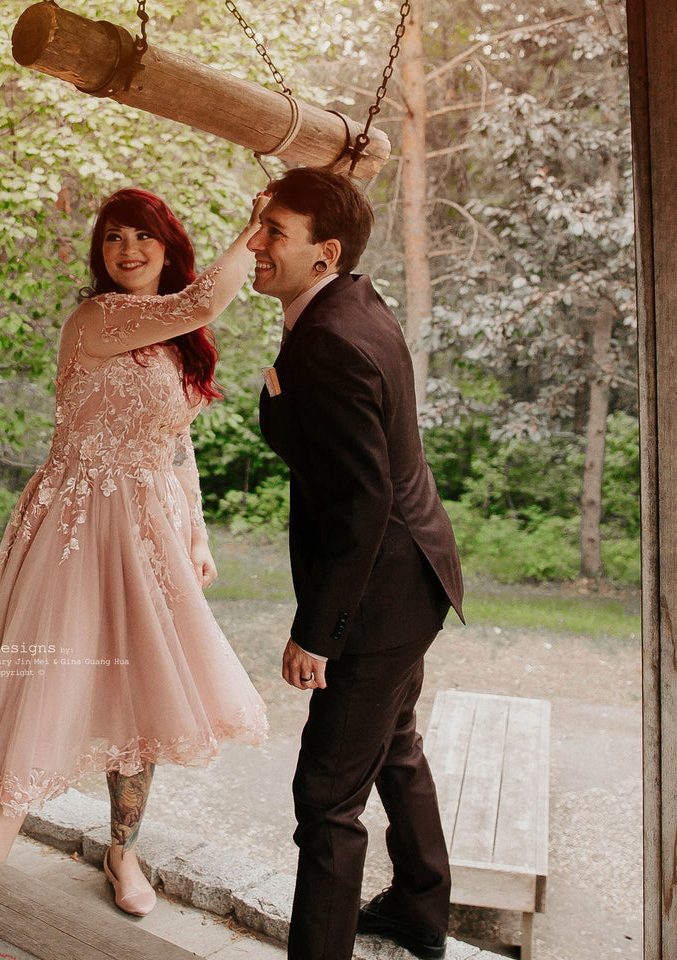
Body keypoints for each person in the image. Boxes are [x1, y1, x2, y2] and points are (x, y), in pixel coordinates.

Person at [0, 187, 269, 917]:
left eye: (143, 238)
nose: (128, 251)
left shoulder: (176, 341)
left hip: (150, 529)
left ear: (167, 246)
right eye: (114, 238)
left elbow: (177, 442)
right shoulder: (98, 317)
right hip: (78, 523)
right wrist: (255, 231)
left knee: (142, 691)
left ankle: (122, 852)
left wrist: (197, 531)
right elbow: (200, 303)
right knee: (40, 689)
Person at [248, 167, 465, 960]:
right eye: (256, 221)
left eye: (274, 230)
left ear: (324, 251)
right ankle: (419, 907)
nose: (255, 242)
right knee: (395, 744)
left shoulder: (332, 339)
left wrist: (319, 635)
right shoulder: (353, 303)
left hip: (381, 595)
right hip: (417, 575)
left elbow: (361, 504)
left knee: (325, 796)